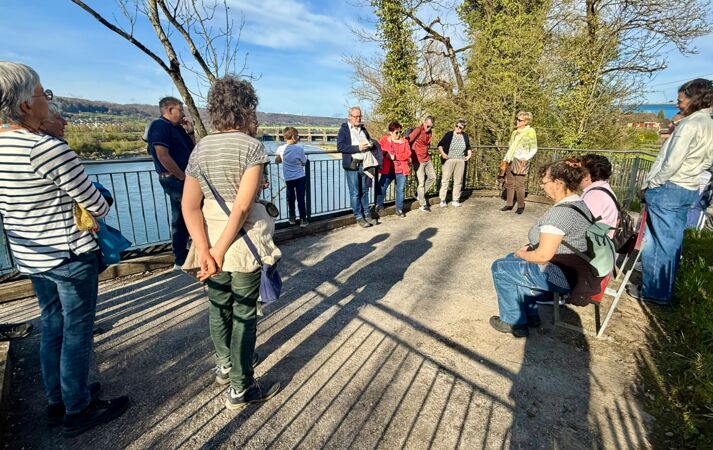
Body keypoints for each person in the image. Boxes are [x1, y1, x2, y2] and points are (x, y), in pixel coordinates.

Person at [0, 62, 128, 436]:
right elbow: (97, 205)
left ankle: (59, 398)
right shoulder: (47, 149)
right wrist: (98, 197)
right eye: (44, 94)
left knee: (52, 325)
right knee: (77, 331)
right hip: (68, 254)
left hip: (32, 256)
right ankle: (78, 408)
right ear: (26, 105)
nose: (48, 100)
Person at [182, 76, 281, 410]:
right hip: (241, 244)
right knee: (243, 312)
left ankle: (225, 366)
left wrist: (206, 252)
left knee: (218, 306)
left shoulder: (200, 148)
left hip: (208, 240)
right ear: (246, 108)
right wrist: (221, 251)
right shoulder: (252, 147)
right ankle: (241, 387)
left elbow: (189, 206)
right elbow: (241, 207)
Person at [490, 159, 599, 337]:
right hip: (574, 268)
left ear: (558, 184)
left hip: (560, 274)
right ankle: (530, 316)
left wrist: (521, 254)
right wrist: (526, 250)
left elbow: (542, 256)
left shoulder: (560, 214)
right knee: (511, 260)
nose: (542, 187)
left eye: (544, 183)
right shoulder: (579, 204)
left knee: (500, 267)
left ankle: (513, 321)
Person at [628, 79, 713, 305]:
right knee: (672, 241)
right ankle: (663, 288)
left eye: (680, 99)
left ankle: (655, 292)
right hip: (689, 187)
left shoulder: (690, 124)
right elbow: (708, 160)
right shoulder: (709, 123)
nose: (677, 103)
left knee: (657, 241)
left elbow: (671, 162)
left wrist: (652, 184)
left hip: (669, 187)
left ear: (694, 98)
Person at [146, 96, 195, 270]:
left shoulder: (176, 128)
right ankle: (182, 257)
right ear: (169, 110)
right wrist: (181, 176)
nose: (183, 114)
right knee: (187, 214)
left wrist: (190, 132)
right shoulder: (159, 126)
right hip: (174, 178)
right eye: (180, 110)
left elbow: (193, 150)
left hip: (183, 178)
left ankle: (183, 256)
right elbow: (162, 155)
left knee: (182, 215)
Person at [337, 106, 378, 228]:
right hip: (352, 165)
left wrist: (370, 144)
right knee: (355, 193)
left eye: (359, 116)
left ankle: (367, 214)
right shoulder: (344, 130)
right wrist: (357, 148)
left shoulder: (363, 129)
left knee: (364, 191)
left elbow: (369, 141)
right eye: (355, 116)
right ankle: (359, 217)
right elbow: (340, 147)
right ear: (349, 117)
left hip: (364, 164)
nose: (358, 118)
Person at [500, 111, 538, 214]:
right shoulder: (514, 132)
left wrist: (525, 158)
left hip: (521, 160)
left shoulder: (530, 132)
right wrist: (505, 159)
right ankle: (509, 204)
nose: (517, 121)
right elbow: (510, 147)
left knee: (519, 184)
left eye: (520, 120)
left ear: (526, 121)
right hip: (510, 159)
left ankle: (521, 205)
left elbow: (534, 148)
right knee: (509, 183)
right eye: (517, 119)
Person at [375, 121, 411, 217]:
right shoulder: (384, 140)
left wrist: (395, 157)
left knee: (400, 190)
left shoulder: (404, 142)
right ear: (390, 132)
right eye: (396, 132)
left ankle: (399, 209)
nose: (399, 134)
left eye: (400, 132)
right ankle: (378, 205)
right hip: (388, 170)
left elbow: (408, 154)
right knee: (382, 187)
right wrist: (385, 154)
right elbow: (379, 149)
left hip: (401, 170)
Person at [578, 154, 618, 238]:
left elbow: (578, 225)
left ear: (586, 176)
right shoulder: (604, 188)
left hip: (594, 243)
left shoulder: (594, 196)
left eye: (578, 172)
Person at [277, 127, 308, 227]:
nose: (298, 138)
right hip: (300, 177)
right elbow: (304, 162)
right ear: (294, 137)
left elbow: (277, 159)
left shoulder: (281, 149)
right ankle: (303, 219)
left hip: (288, 178)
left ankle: (292, 218)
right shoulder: (299, 149)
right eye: (297, 136)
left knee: (290, 198)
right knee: (300, 199)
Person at [437, 119, 472, 208]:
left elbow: (468, 147)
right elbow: (440, 145)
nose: (458, 128)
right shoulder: (449, 134)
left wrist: (469, 156)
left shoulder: (465, 136)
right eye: (457, 126)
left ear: (463, 128)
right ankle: (442, 199)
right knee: (445, 180)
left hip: (460, 160)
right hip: (449, 160)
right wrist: (443, 154)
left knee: (458, 181)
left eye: (460, 127)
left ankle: (455, 199)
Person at [408, 116, 435, 212]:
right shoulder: (418, 130)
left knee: (432, 177)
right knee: (421, 183)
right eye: (428, 126)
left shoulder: (430, 132)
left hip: (427, 158)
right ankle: (423, 205)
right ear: (424, 122)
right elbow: (408, 140)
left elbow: (427, 143)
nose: (429, 128)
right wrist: (409, 156)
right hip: (418, 160)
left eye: (431, 127)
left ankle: (419, 194)